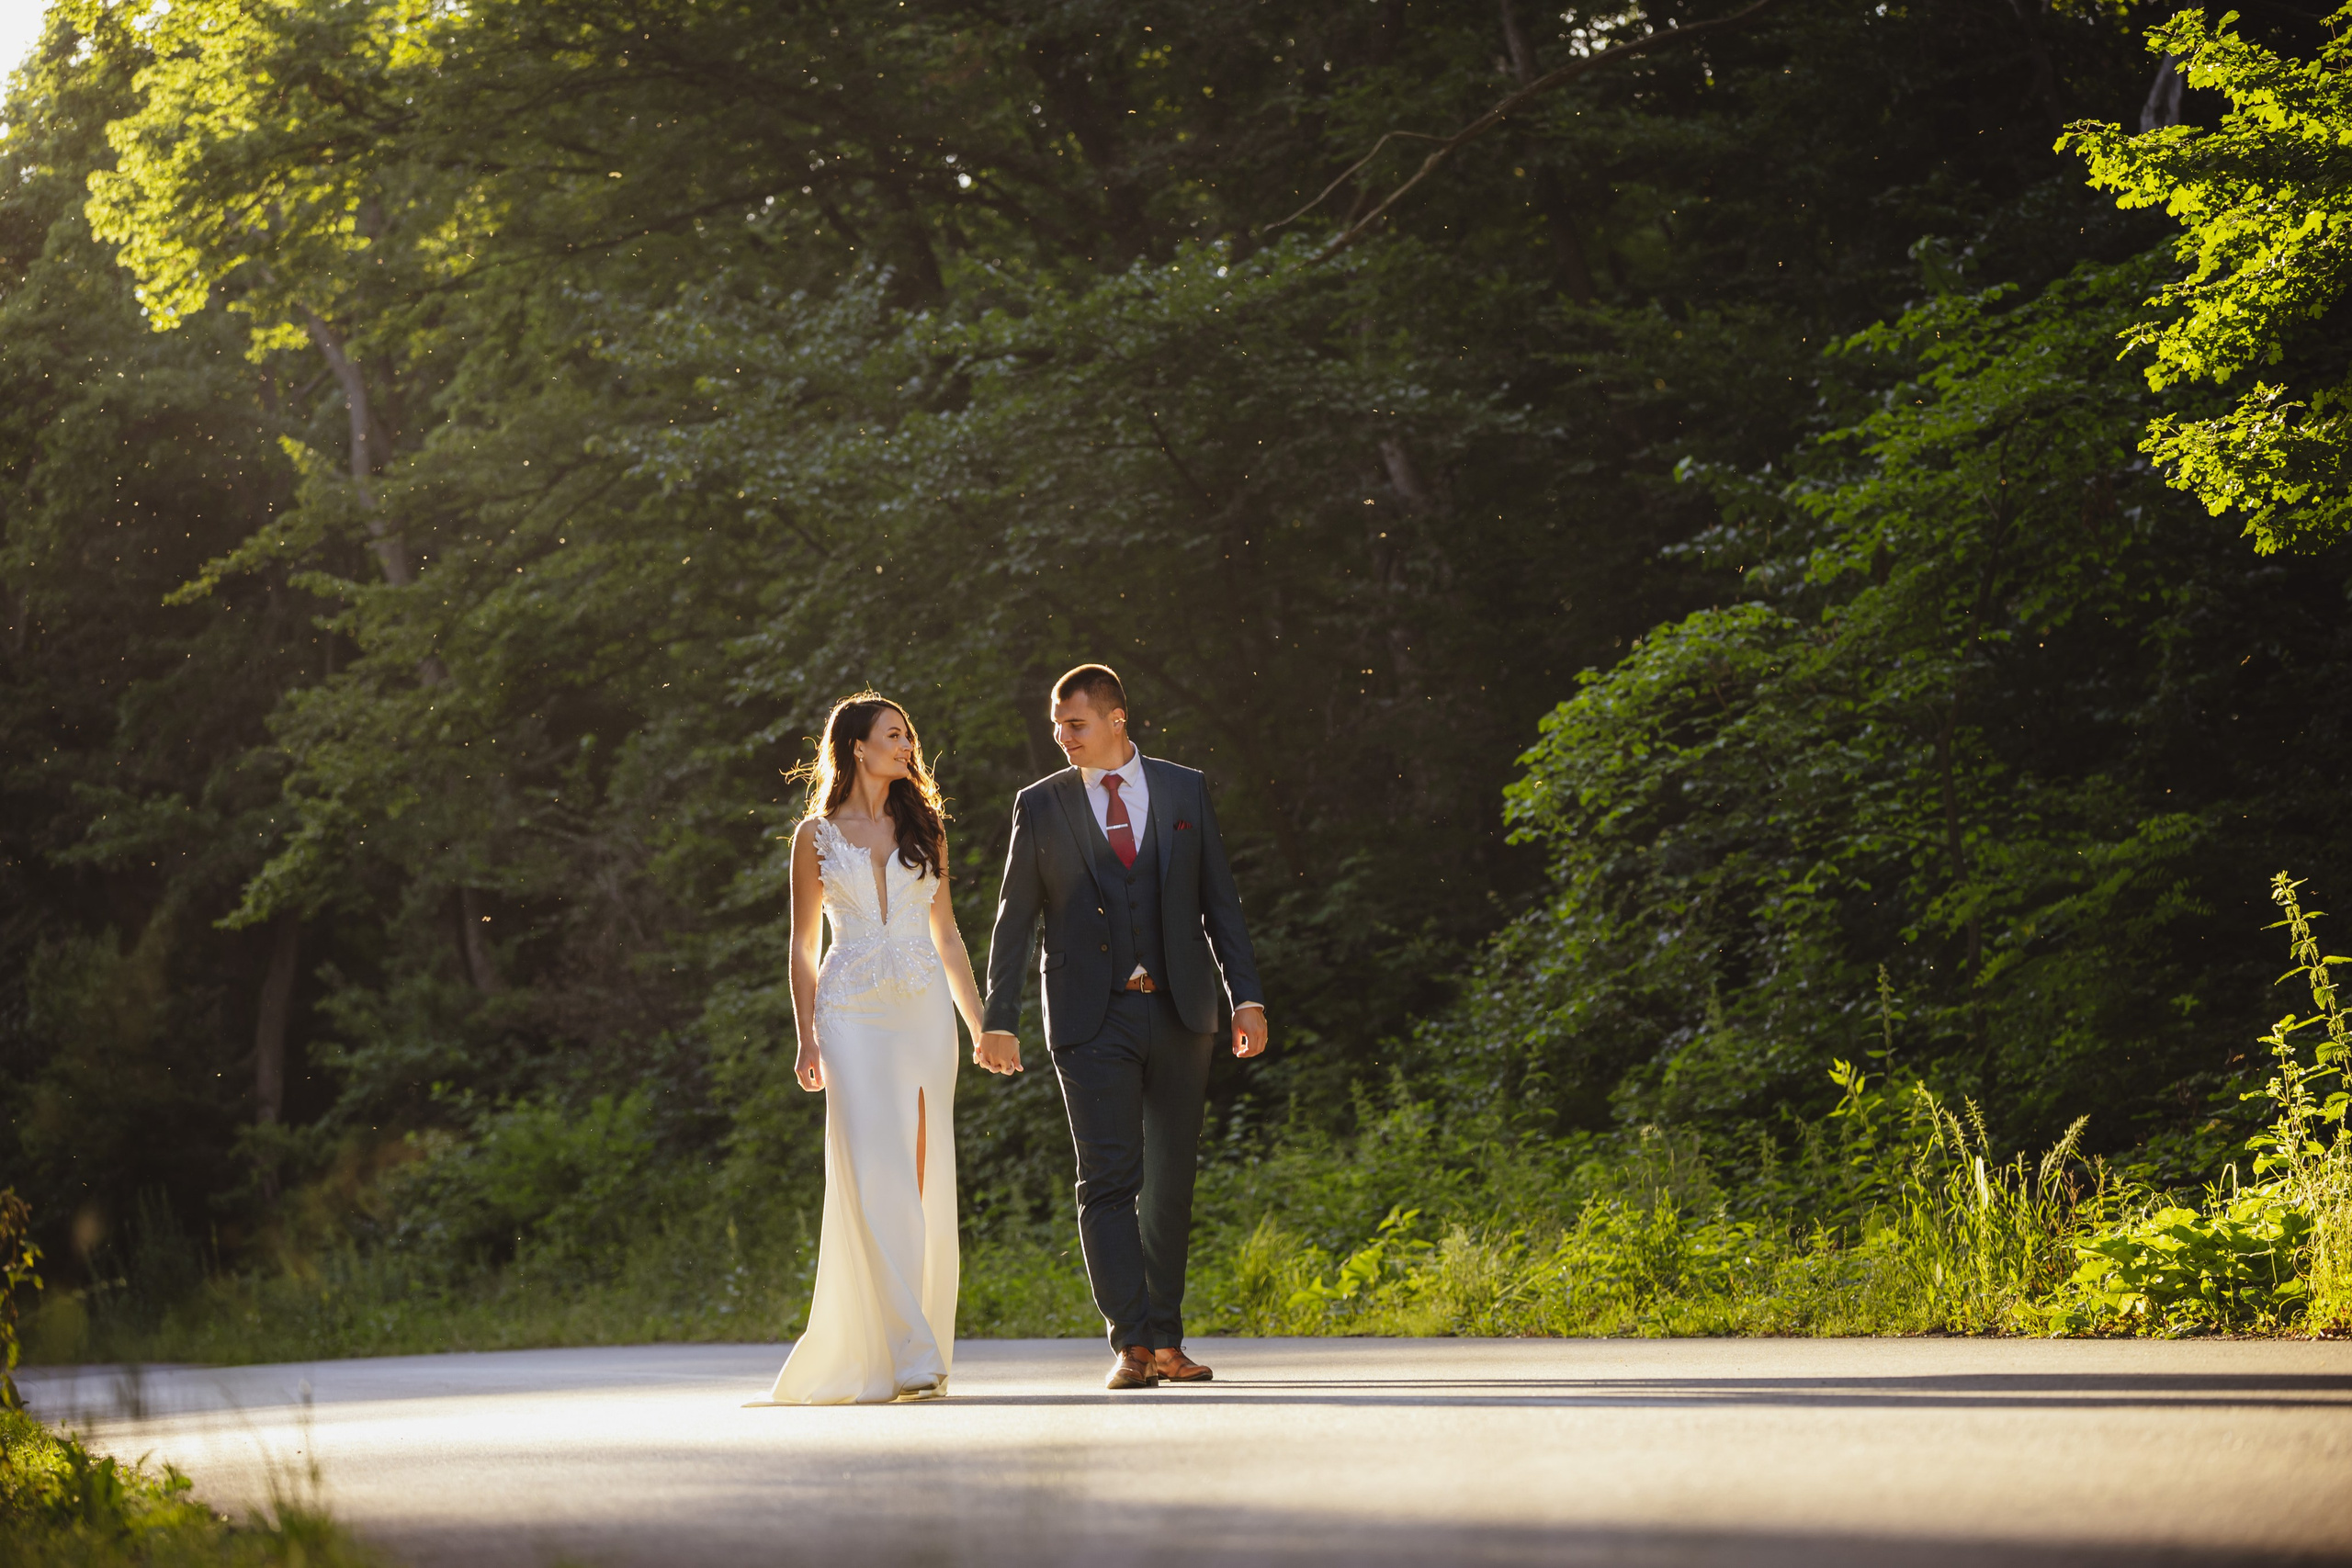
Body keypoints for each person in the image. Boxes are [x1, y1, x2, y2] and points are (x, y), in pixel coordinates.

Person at [974, 663, 1269, 1390]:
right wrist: (997, 1019)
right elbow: (1014, 920)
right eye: (1056, 725)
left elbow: (1219, 902)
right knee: (1107, 1179)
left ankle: (1168, 1339)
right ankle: (1131, 1343)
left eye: (1072, 723)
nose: (1061, 737)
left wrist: (1247, 996)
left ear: (1115, 719)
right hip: (1088, 1015)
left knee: (1170, 1182)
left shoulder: (1183, 788)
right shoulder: (1040, 804)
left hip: (1181, 1009)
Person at [762, 693, 988, 1404]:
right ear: (857, 746)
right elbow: (801, 948)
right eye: (894, 735)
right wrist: (805, 1033)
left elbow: (947, 936)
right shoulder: (816, 835)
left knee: (921, 1178)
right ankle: (911, 1352)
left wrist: (984, 1026)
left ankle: (914, 1341)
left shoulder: (927, 828)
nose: (908, 745)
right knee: (876, 1169)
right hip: (850, 1016)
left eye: (909, 735)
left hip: (923, 1013)